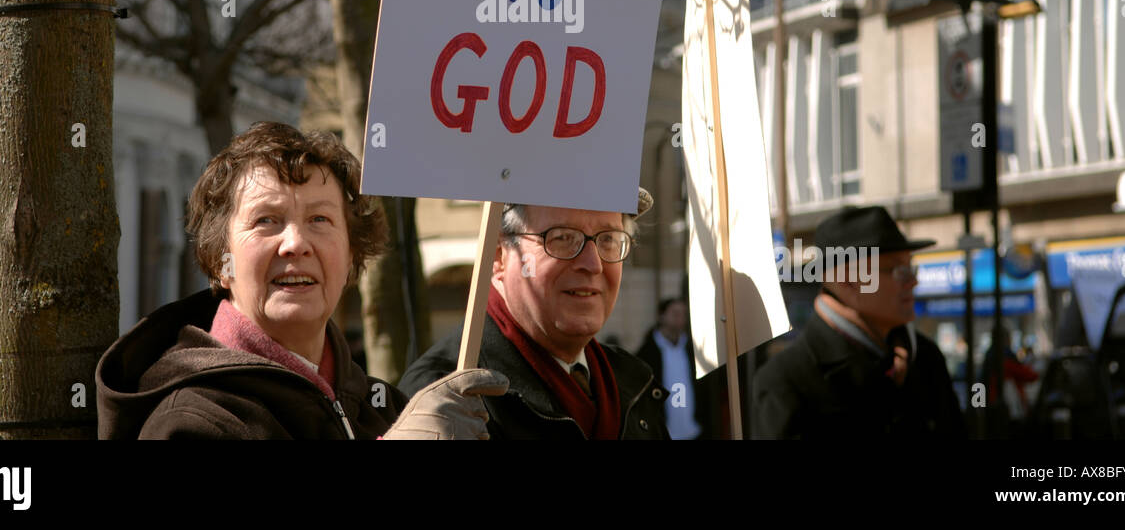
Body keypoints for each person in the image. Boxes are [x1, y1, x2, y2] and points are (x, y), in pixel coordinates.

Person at [97, 122, 506, 439]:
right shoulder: (191, 421)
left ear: (350, 257)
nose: (295, 243)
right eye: (266, 221)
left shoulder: (386, 408)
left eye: (320, 220)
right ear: (222, 262)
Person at [399, 191, 669, 440]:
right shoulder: (442, 396)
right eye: (563, 238)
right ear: (498, 257)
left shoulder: (631, 380)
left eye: (609, 239)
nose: (593, 264)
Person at [751, 205, 965, 439]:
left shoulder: (925, 357)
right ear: (849, 280)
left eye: (911, 267)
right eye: (897, 270)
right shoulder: (786, 380)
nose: (913, 281)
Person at [637, 297, 710, 439]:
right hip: (662, 432)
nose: (681, 319)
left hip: (693, 430)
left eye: (683, 314)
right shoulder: (647, 353)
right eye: (675, 314)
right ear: (661, 316)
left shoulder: (693, 349)